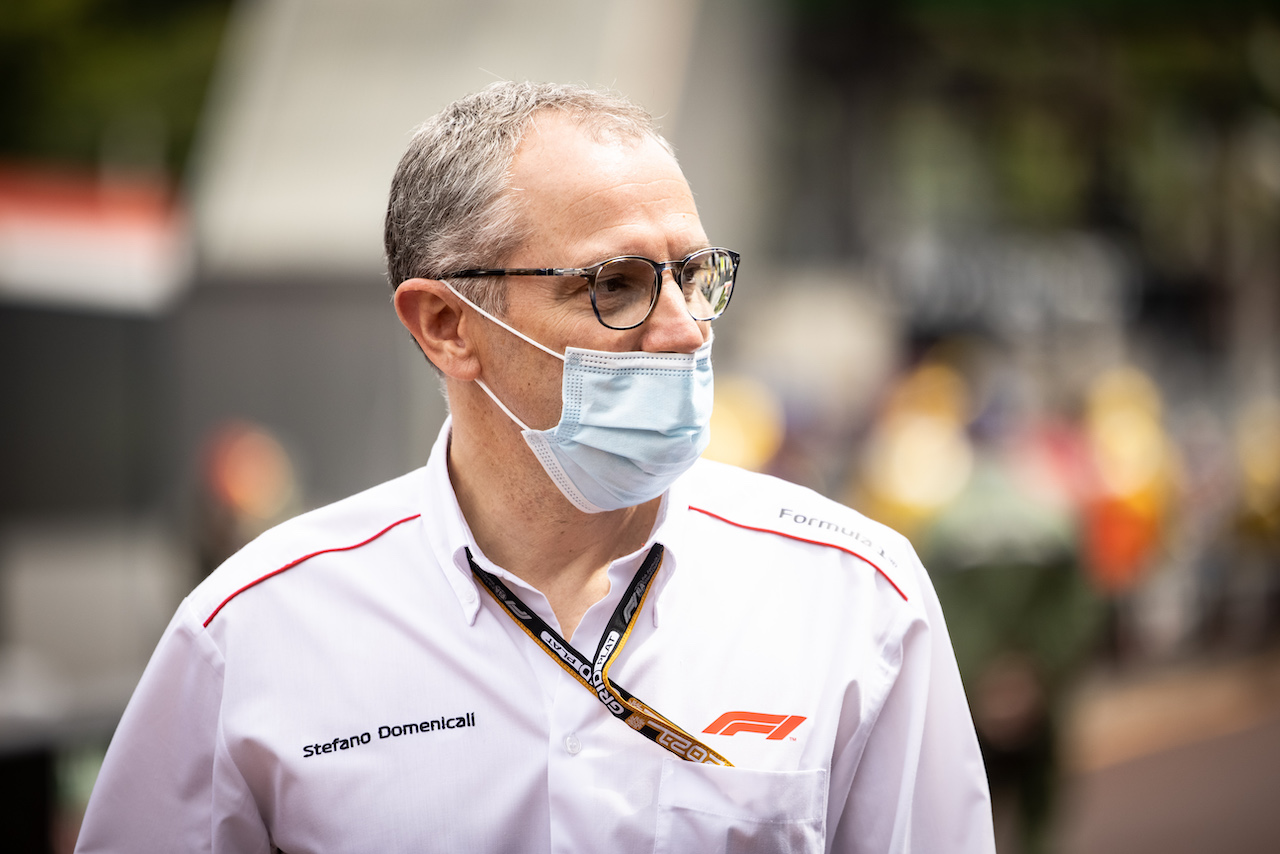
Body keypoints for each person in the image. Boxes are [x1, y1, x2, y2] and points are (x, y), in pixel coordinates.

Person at [76, 82, 995, 854]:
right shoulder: (254, 633)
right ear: (447, 326)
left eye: (695, 274)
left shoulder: (855, 598)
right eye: (617, 285)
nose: (682, 326)